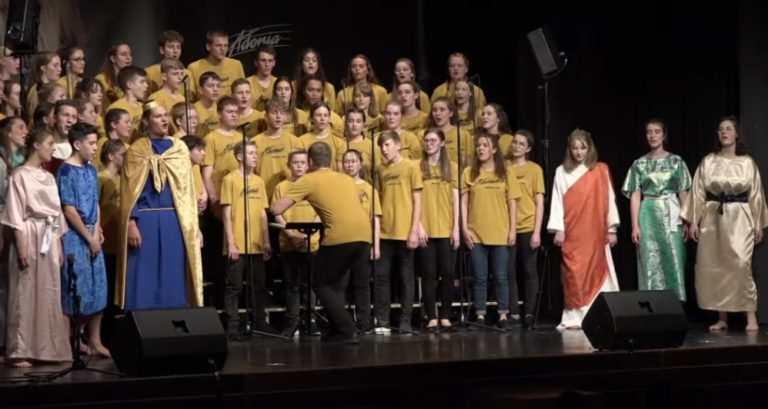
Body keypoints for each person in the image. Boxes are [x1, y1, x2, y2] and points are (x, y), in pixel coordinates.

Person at [271, 142, 372, 343]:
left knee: (320, 283)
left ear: (310, 162)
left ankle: (347, 329)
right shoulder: (346, 179)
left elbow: (276, 209)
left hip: (340, 236)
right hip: (364, 235)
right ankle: (335, 330)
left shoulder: (308, 179)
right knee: (333, 284)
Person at [682, 116, 768, 332]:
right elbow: (698, 192)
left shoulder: (747, 162)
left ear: (736, 133)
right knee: (716, 265)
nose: (724, 133)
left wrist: (758, 224)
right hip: (713, 218)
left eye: (728, 129)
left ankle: (751, 316)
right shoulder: (708, 161)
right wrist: (694, 221)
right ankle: (722, 318)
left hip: (739, 218)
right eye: (721, 129)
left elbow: (756, 194)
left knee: (740, 265)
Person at [116, 102, 202, 310]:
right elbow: (129, 191)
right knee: (145, 271)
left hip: (175, 219)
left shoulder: (179, 148)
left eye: (166, 115)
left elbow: (187, 191)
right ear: (146, 121)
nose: (165, 120)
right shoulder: (137, 151)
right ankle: (141, 314)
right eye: (158, 116)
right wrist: (131, 223)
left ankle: (174, 312)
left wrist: (195, 227)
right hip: (145, 219)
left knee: (173, 268)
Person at [2, 128, 72, 367]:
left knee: (48, 291)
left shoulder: (49, 177)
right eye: (50, 143)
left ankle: (47, 348)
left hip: (49, 237)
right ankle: (19, 349)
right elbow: (15, 212)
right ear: (36, 145)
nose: (53, 148)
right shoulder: (20, 175)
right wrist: (21, 245)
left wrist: (59, 245)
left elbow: (57, 213)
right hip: (30, 235)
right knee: (25, 292)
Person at [548, 129, 619, 330]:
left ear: (589, 149)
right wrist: (558, 229)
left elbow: (608, 200)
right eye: (574, 148)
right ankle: (575, 316)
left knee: (597, 269)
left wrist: (611, 228)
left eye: (582, 148)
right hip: (572, 230)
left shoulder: (600, 169)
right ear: (569, 150)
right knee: (574, 270)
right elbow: (557, 202)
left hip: (595, 229)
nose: (578, 152)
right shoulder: (561, 171)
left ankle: (598, 315)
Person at [622, 119, 691, 301]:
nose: (652, 135)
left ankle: (675, 304)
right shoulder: (639, 164)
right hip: (648, 214)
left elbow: (683, 193)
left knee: (674, 257)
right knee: (650, 260)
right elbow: (636, 196)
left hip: (671, 214)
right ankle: (652, 304)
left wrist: (688, 220)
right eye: (649, 132)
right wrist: (635, 226)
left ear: (664, 135)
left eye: (657, 131)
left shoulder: (676, 161)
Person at [56, 122, 109, 358]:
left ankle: (95, 340)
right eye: (91, 143)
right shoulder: (66, 172)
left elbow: (95, 202)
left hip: (92, 234)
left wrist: (97, 231)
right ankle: (70, 342)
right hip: (76, 237)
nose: (95, 148)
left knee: (98, 287)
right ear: (77, 144)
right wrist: (88, 237)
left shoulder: (90, 169)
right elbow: (68, 209)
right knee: (74, 288)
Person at [462, 132, 521, 328]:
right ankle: (480, 315)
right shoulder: (469, 172)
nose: (480, 149)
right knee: (479, 277)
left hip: (500, 232)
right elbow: (463, 203)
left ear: (494, 149)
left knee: (501, 276)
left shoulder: (506, 172)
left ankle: (503, 315)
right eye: (478, 145)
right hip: (476, 233)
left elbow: (512, 203)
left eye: (485, 145)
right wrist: (464, 228)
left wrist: (512, 230)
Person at [221, 140, 277, 338]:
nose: (255, 156)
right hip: (237, 242)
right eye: (251, 153)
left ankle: (259, 322)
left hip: (256, 243)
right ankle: (233, 325)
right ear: (239, 156)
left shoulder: (259, 181)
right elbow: (226, 213)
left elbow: (263, 213)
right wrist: (231, 242)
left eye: (256, 153)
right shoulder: (230, 180)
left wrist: (267, 240)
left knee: (258, 286)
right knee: (234, 286)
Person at [374, 130, 422, 333]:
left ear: (398, 145)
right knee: (381, 277)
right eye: (381, 146)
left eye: (387, 145)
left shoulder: (411, 167)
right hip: (385, 233)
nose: (383, 150)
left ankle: (405, 320)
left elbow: (418, 201)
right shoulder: (380, 169)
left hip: (405, 232)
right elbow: (378, 201)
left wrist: (414, 230)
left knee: (406, 277)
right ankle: (383, 321)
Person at [273, 150, 321, 337]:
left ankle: (311, 320)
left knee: (310, 284)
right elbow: (277, 212)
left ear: (308, 164)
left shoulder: (314, 184)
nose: (299, 166)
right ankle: (293, 321)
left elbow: (320, 211)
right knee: (291, 284)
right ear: (289, 164)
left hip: (312, 243)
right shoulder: (282, 187)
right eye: (295, 162)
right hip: (289, 243)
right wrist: (292, 236)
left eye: (303, 162)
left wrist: (308, 236)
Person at [416, 128, 459, 331]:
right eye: (426, 140)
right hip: (426, 229)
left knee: (448, 274)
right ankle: (431, 316)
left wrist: (456, 228)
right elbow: (414, 199)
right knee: (428, 274)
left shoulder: (452, 167)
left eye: (433, 140)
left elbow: (456, 200)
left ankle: (445, 315)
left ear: (442, 143)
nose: (429, 143)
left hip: (446, 228)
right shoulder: (418, 167)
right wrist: (419, 226)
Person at [507, 129, 545, 327]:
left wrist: (537, 231)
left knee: (529, 269)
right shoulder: (504, 168)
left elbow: (539, 201)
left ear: (528, 148)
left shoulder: (534, 169)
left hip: (528, 225)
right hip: (508, 227)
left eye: (521, 144)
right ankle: (513, 312)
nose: (516, 146)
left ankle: (529, 312)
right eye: (514, 142)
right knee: (509, 270)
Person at [341, 149, 381, 333]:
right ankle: (342, 323)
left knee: (362, 284)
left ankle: (364, 322)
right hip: (341, 242)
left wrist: (376, 245)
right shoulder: (338, 186)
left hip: (363, 242)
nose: (349, 164)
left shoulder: (369, 188)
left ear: (360, 164)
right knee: (341, 284)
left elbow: (376, 219)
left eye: (353, 161)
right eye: (346, 161)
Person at [97, 138, 125, 346]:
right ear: (111, 156)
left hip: (120, 243)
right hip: (106, 243)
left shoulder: (123, 180)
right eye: (123, 154)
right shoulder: (101, 179)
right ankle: (103, 335)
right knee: (106, 291)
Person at [252, 98, 301, 199]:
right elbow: (251, 173)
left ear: (286, 117)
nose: (278, 116)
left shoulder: (295, 141)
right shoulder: (255, 142)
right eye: (274, 113)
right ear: (265, 116)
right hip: (263, 197)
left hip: (288, 198)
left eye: (282, 113)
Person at [187, 30, 244, 99]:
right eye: (218, 45)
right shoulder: (194, 67)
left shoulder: (236, 65)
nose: (223, 49)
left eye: (226, 45)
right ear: (208, 47)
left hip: (231, 108)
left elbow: (243, 90)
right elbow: (190, 98)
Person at [298, 102, 344, 171]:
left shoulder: (339, 143)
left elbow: (340, 169)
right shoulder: (301, 141)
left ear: (329, 119)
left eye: (325, 115)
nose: (322, 118)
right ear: (311, 118)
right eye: (318, 115)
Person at [145, 30, 190, 94]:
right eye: (171, 47)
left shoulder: (187, 73)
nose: (175, 51)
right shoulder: (149, 72)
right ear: (161, 50)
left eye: (178, 47)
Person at [26, 52, 62, 122]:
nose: (60, 69)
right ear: (43, 68)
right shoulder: (36, 90)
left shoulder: (53, 87)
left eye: (60, 66)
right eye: (55, 65)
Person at [247, 45, 278, 111]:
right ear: (256, 62)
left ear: (274, 63)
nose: (267, 64)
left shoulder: (278, 83)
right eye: (263, 60)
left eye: (270, 61)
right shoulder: (247, 83)